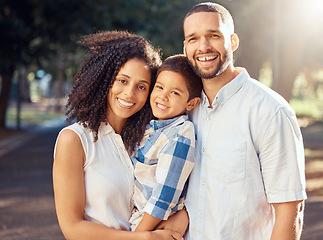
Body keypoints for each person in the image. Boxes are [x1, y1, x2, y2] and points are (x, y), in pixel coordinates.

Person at [182, 2, 307, 240]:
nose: (203, 46)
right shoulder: (182, 108)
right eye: (193, 39)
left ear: (233, 41)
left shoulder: (270, 111)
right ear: (185, 47)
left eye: (213, 35)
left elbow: (290, 210)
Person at [52, 30, 183, 240]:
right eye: (122, 80)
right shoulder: (75, 140)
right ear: (106, 80)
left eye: (141, 86)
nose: (129, 93)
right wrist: (143, 238)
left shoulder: (151, 139)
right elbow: (72, 227)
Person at [129, 55, 202, 233]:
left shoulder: (180, 134)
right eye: (159, 87)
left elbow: (164, 195)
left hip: (152, 225)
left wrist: (138, 236)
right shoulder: (151, 128)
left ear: (191, 103)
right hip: (138, 220)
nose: (163, 96)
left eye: (175, 92)